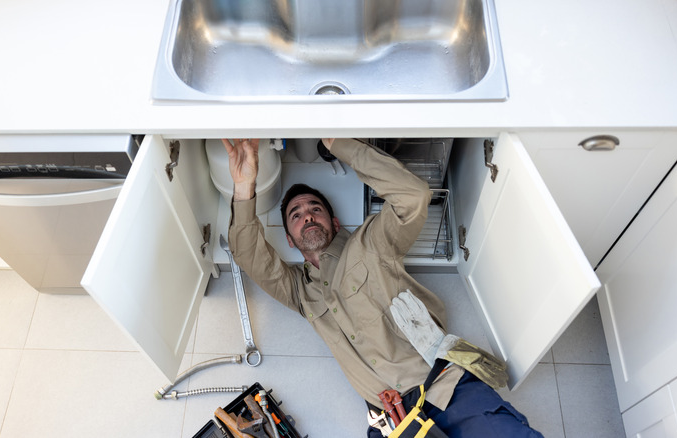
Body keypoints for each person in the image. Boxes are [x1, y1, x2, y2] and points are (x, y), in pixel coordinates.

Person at [223, 138, 543, 437]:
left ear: (335, 223)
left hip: (445, 388)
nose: (307, 216)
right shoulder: (299, 291)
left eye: (315, 209)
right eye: (296, 215)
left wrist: (337, 141)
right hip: (392, 420)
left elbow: (413, 196)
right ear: (290, 240)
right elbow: (249, 255)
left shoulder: (372, 243)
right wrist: (243, 185)